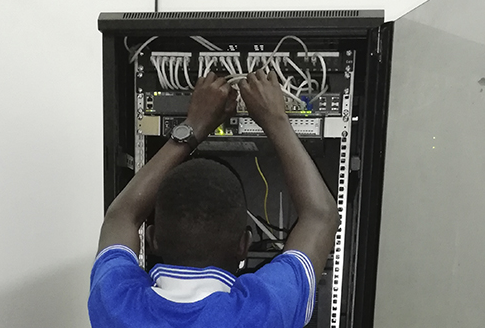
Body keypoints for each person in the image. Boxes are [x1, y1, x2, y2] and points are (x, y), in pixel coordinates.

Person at [88, 70, 340, 328]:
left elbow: (121, 216)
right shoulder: (266, 310)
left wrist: (192, 129)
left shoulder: (114, 305)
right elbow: (320, 216)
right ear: (244, 245)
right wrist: (275, 120)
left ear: (151, 239)